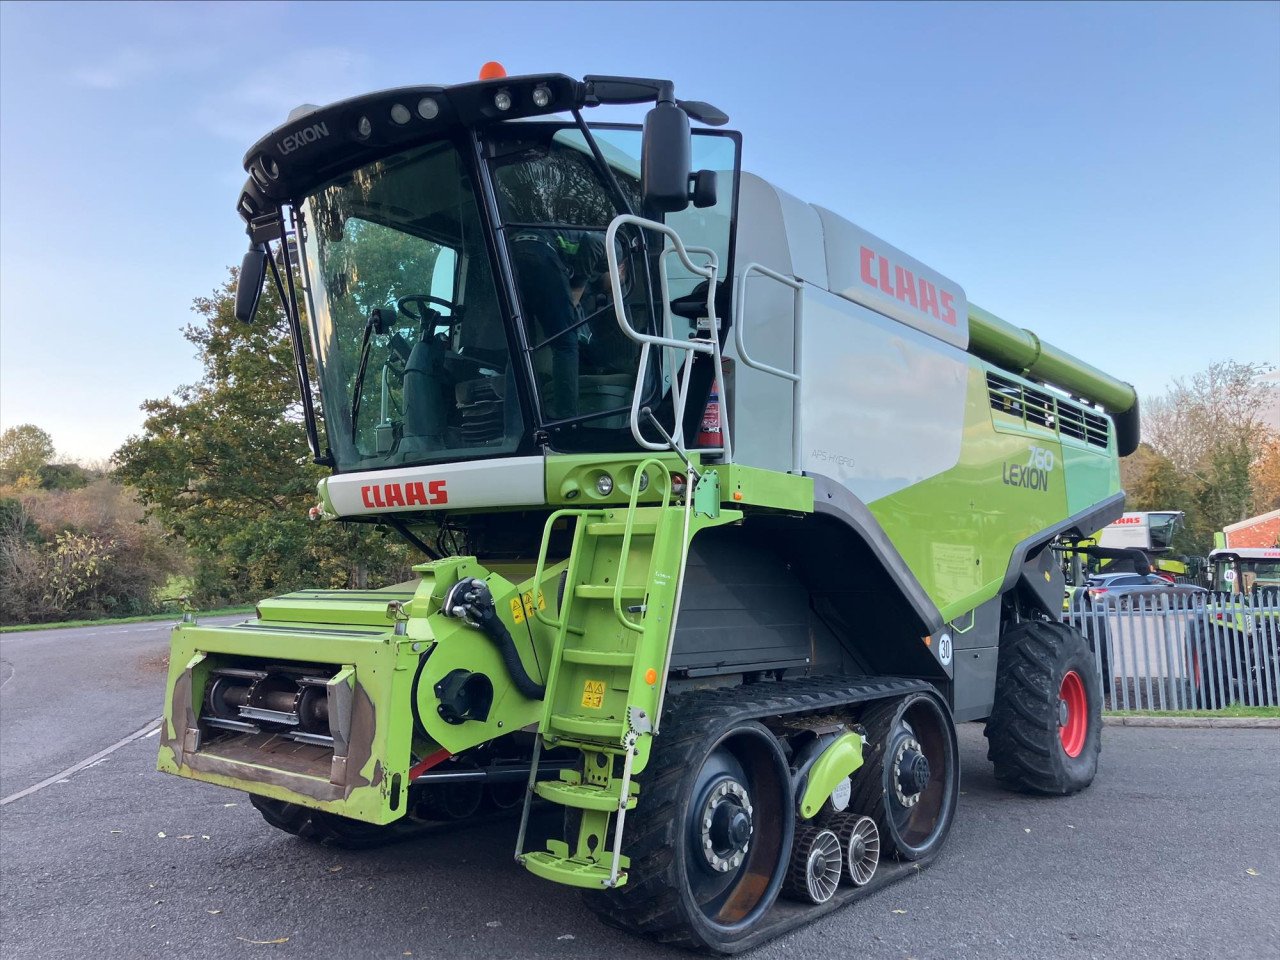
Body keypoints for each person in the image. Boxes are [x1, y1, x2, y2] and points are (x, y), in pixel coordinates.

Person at [509, 230, 611, 420]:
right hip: (541, 250)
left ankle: (515, 424)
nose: (612, 291)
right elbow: (593, 242)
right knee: (565, 343)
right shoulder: (616, 246)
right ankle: (567, 421)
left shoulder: (571, 254)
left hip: (510, 253)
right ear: (621, 269)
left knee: (521, 346)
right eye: (620, 284)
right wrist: (578, 287)